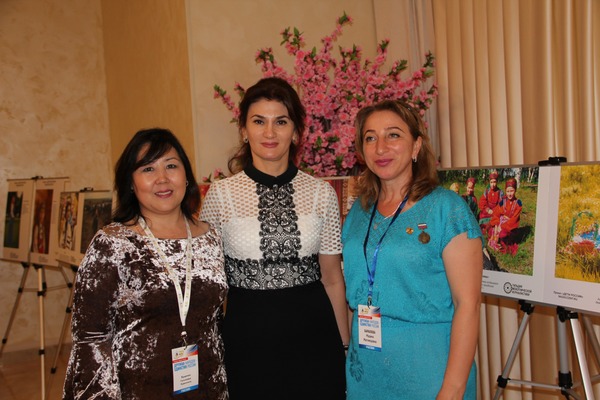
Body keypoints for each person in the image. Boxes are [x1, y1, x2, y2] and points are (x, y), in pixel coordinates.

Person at [200, 77, 348, 400]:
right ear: (243, 130)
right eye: (258, 121)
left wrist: (344, 346)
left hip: (315, 339)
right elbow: (210, 287)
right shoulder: (220, 195)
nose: (270, 132)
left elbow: (332, 278)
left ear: (295, 132)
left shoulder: (321, 193)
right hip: (247, 343)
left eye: (281, 122)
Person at [63, 128, 228, 400]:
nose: (162, 178)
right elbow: (90, 340)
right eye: (148, 169)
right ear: (130, 182)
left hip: (208, 387)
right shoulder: (112, 244)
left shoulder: (210, 237)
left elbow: (214, 321)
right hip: (137, 391)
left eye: (171, 166)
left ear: (186, 176)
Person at [341, 100, 483, 399]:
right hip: (365, 370)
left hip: (429, 370)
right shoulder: (359, 211)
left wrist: (452, 390)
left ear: (416, 145)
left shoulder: (446, 209)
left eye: (393, 135)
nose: (380, 148)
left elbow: (467, 304)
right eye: (370, 137)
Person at [487, 178, 522, 255]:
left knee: (503, 234)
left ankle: (501, 243)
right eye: (507, 191)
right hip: (500, 222)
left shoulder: (518, 204)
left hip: (510, 226)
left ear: (515, 190)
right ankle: (497, 241)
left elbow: (514, 220)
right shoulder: (503, 201)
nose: (509, 194)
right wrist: (496, 225)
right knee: (491, 229)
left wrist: (502, 227)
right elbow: (496, 213)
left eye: (512, 191)